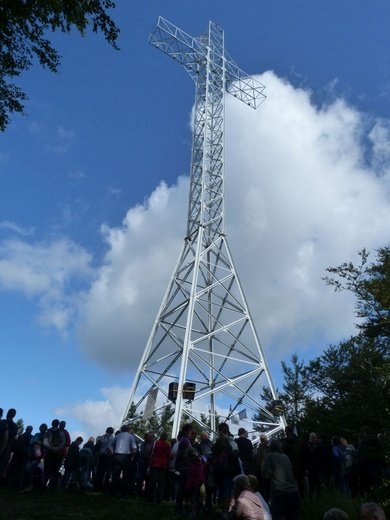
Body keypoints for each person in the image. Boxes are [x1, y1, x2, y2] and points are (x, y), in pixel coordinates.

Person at [262, 439, 301, 520]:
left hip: (280, 493)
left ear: (271, 447)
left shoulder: (270, 456)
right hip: (294, 493)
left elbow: (265, 475)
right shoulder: (285, 457)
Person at [212, 422, 241, 520]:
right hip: (232, 469)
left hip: (224, 469)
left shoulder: (222, 440)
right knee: (230, 490)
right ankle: (230, 511)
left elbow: (214, 451)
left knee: (225, 490)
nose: (218, 432)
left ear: (222, 430)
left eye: (219, 430)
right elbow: (236, 455)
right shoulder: (232, 442)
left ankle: (225, 512)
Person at [108, 424, 137, 499]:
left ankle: (113, 494)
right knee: (126, 477)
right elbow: (134, 448)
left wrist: (113, 452)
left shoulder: (117, 436)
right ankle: (123, 495)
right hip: (126, 457)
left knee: (115, 476)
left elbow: (109, 445)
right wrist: (132, 455)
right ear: (128, 429)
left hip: (117, 456)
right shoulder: (131, 437)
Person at [175, 423, 194, 514]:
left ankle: (181, 506)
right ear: (186, 431)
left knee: (183, 487)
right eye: (190, 431)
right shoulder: (185, 441)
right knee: (183, 487)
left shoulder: (185, 440)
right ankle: (179, 507)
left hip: (184, 465)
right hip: (184, 466)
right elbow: (180, 454)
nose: (192, 433)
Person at [43, 419, 66, 490]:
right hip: (57, 454)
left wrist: (51, 448)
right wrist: (57, 448)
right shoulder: (61, 433)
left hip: (48, 453)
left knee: (47, 470)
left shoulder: (48, 432)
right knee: (55, 471)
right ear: (58, 424)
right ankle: (53, 487)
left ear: (52, 423)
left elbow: (45, 442)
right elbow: (63, 442)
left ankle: (44, 486)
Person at [148, 431, 171, 503]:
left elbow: (150, 452)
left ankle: (152, 498)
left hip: (154, 463)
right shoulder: (167, 445)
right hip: (163, 464)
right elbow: (169, 455)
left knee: (153, 482)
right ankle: (159, 499)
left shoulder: (155, 443)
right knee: (161, 482)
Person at [94, 426, 115, 492]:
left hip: (101, 456)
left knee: (99, 472)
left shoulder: (102, 437)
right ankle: (105, 488)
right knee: (107, 473)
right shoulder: (112, 439)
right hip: (107, 456)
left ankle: (97, 487)